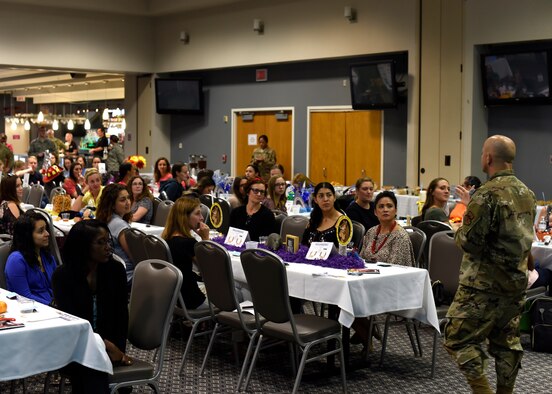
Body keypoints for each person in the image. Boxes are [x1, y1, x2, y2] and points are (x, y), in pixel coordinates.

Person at [444, 135, 536, 394]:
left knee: (456, 339)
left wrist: (459, 227)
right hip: (514, 284)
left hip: (482, 286)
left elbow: (469, 243)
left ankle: (482, 390)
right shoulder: (526, 193)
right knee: (507, 344)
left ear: (487, 158)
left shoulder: (485, 195)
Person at [52, 220, 130, 393]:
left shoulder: (115, 270)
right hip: (75, 345)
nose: (108, 247)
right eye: (100, 242)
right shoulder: (63, 276)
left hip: (111, 344)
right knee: (91, 367)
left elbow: (121, 316)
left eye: (108, 241)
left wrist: (117, 348)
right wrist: (103, 347)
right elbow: (72, 323)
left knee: (93, 369)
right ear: (83, 246)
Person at [161, 197, 210, 310]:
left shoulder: (166, 238)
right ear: (184, 217)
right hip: (192, 301)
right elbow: (209, 270)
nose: (202, 218)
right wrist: (205, 238)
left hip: (174, 298)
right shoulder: (188, 243)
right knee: (237, 292)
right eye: (197, 214)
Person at [5, 212, 56, 305]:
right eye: (41, 231)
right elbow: (24, 297)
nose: (47, 234)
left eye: (46, 229)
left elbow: (57, 286)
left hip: (54, 307)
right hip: (32, 310)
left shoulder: (46, 256)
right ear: (27, 235)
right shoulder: (16, 260)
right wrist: (52, 305)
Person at [359, 191, 415, 265]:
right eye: (381, 206)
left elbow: (395, 268)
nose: (385, 210)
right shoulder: (371, 232)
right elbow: (361, 259)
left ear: (395, 211)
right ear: (375, 212)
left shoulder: (400, 236)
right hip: (367, 274)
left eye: (389, 206)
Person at [95, 183, 134, 284]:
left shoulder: (107, 220)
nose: (128, 202)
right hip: (129, 275)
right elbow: (133, 256)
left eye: (128, 198)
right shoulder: (120, 225)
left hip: (113, 274)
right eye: (122, 200)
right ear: (112, 205)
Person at [301, 182, 343, 247]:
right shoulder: (314, 219)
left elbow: (344, 252)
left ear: (334, 197)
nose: (325, 199)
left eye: (329, 195)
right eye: (321, 196)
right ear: (315, 200)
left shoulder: (342, 222)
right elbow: (303, 244)